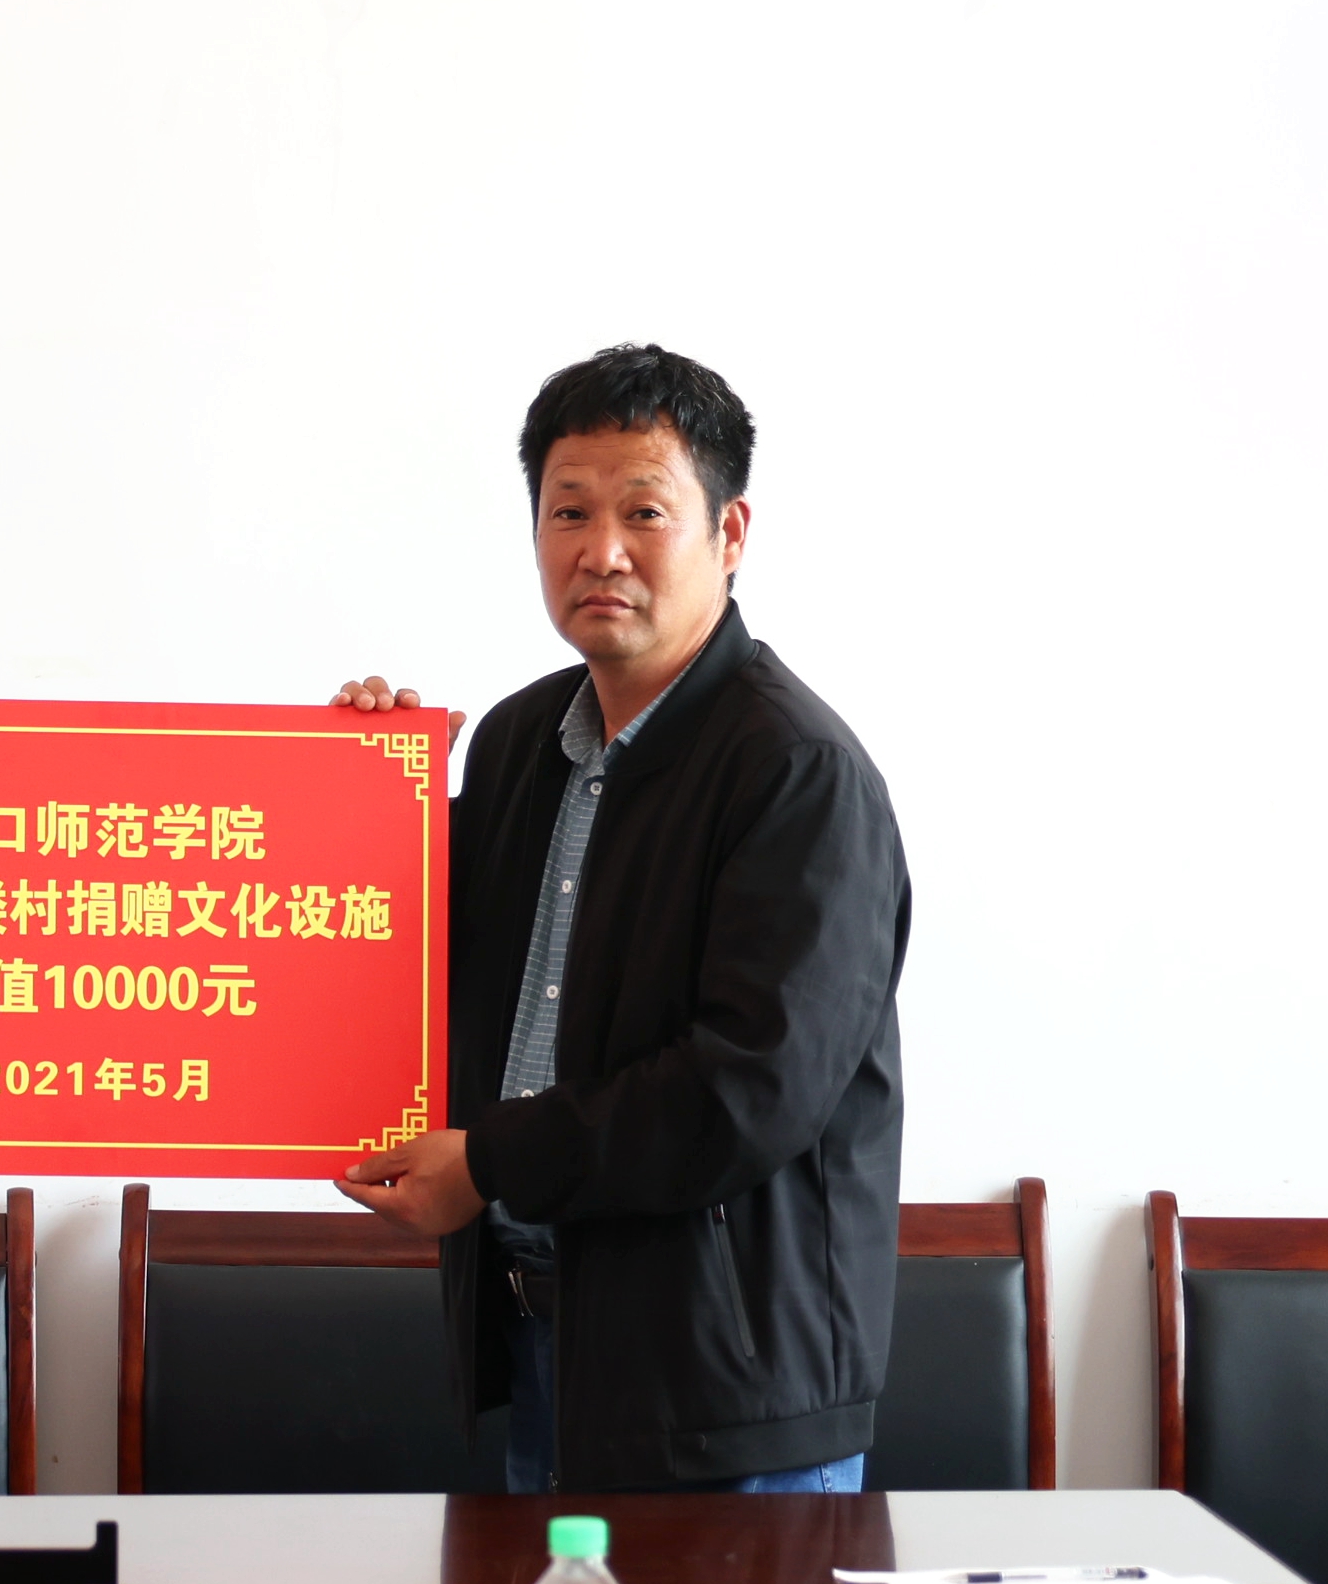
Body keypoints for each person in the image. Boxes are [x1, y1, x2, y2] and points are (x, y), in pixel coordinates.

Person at [334, 344, 910, 1494]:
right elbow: (401, 959)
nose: (599, 549)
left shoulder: (795, 770)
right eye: (567, 510)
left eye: (643, 510)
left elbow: (745, 1088)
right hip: (543, 1346)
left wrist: (489, 1160)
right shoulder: (514, 742)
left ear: (729, 532)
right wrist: (355, 794)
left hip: (725, 1391)